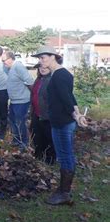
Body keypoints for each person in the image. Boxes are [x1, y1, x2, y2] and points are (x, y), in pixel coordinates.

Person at [32, 46, 87, 205]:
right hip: (60, 121)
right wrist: (77, 113)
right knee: (66, 155)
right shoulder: (60, 74)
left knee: (65, 156)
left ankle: (64, 193)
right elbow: (70, 96)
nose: (41, 61)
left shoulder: (59, 75)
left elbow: (66, 99)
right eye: (40, 58)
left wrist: (76, 115)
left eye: (43, 58)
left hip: (62, 123)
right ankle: (63, 190)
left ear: (53, 57)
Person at [2, 51, 34, 148]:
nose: (3, 63)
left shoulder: (18, 67)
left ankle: (24, 143)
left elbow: (29, 81)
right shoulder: (10, 68)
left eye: (4, 61)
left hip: (22, 101)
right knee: (12, 120)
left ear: (11, 59)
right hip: (14, 101)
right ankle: (16, 140)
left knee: (20, 122)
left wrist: (33, 97)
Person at [30, 64, 55, 164]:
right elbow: (34, 95)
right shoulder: (38, 79)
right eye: (40, 67)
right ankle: (38, 156)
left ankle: (50, 160)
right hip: (36, 113)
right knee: (37, 136)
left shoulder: (52, 80)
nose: (43, 69)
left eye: (45, 67)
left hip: (47, 116)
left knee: (48, 138)